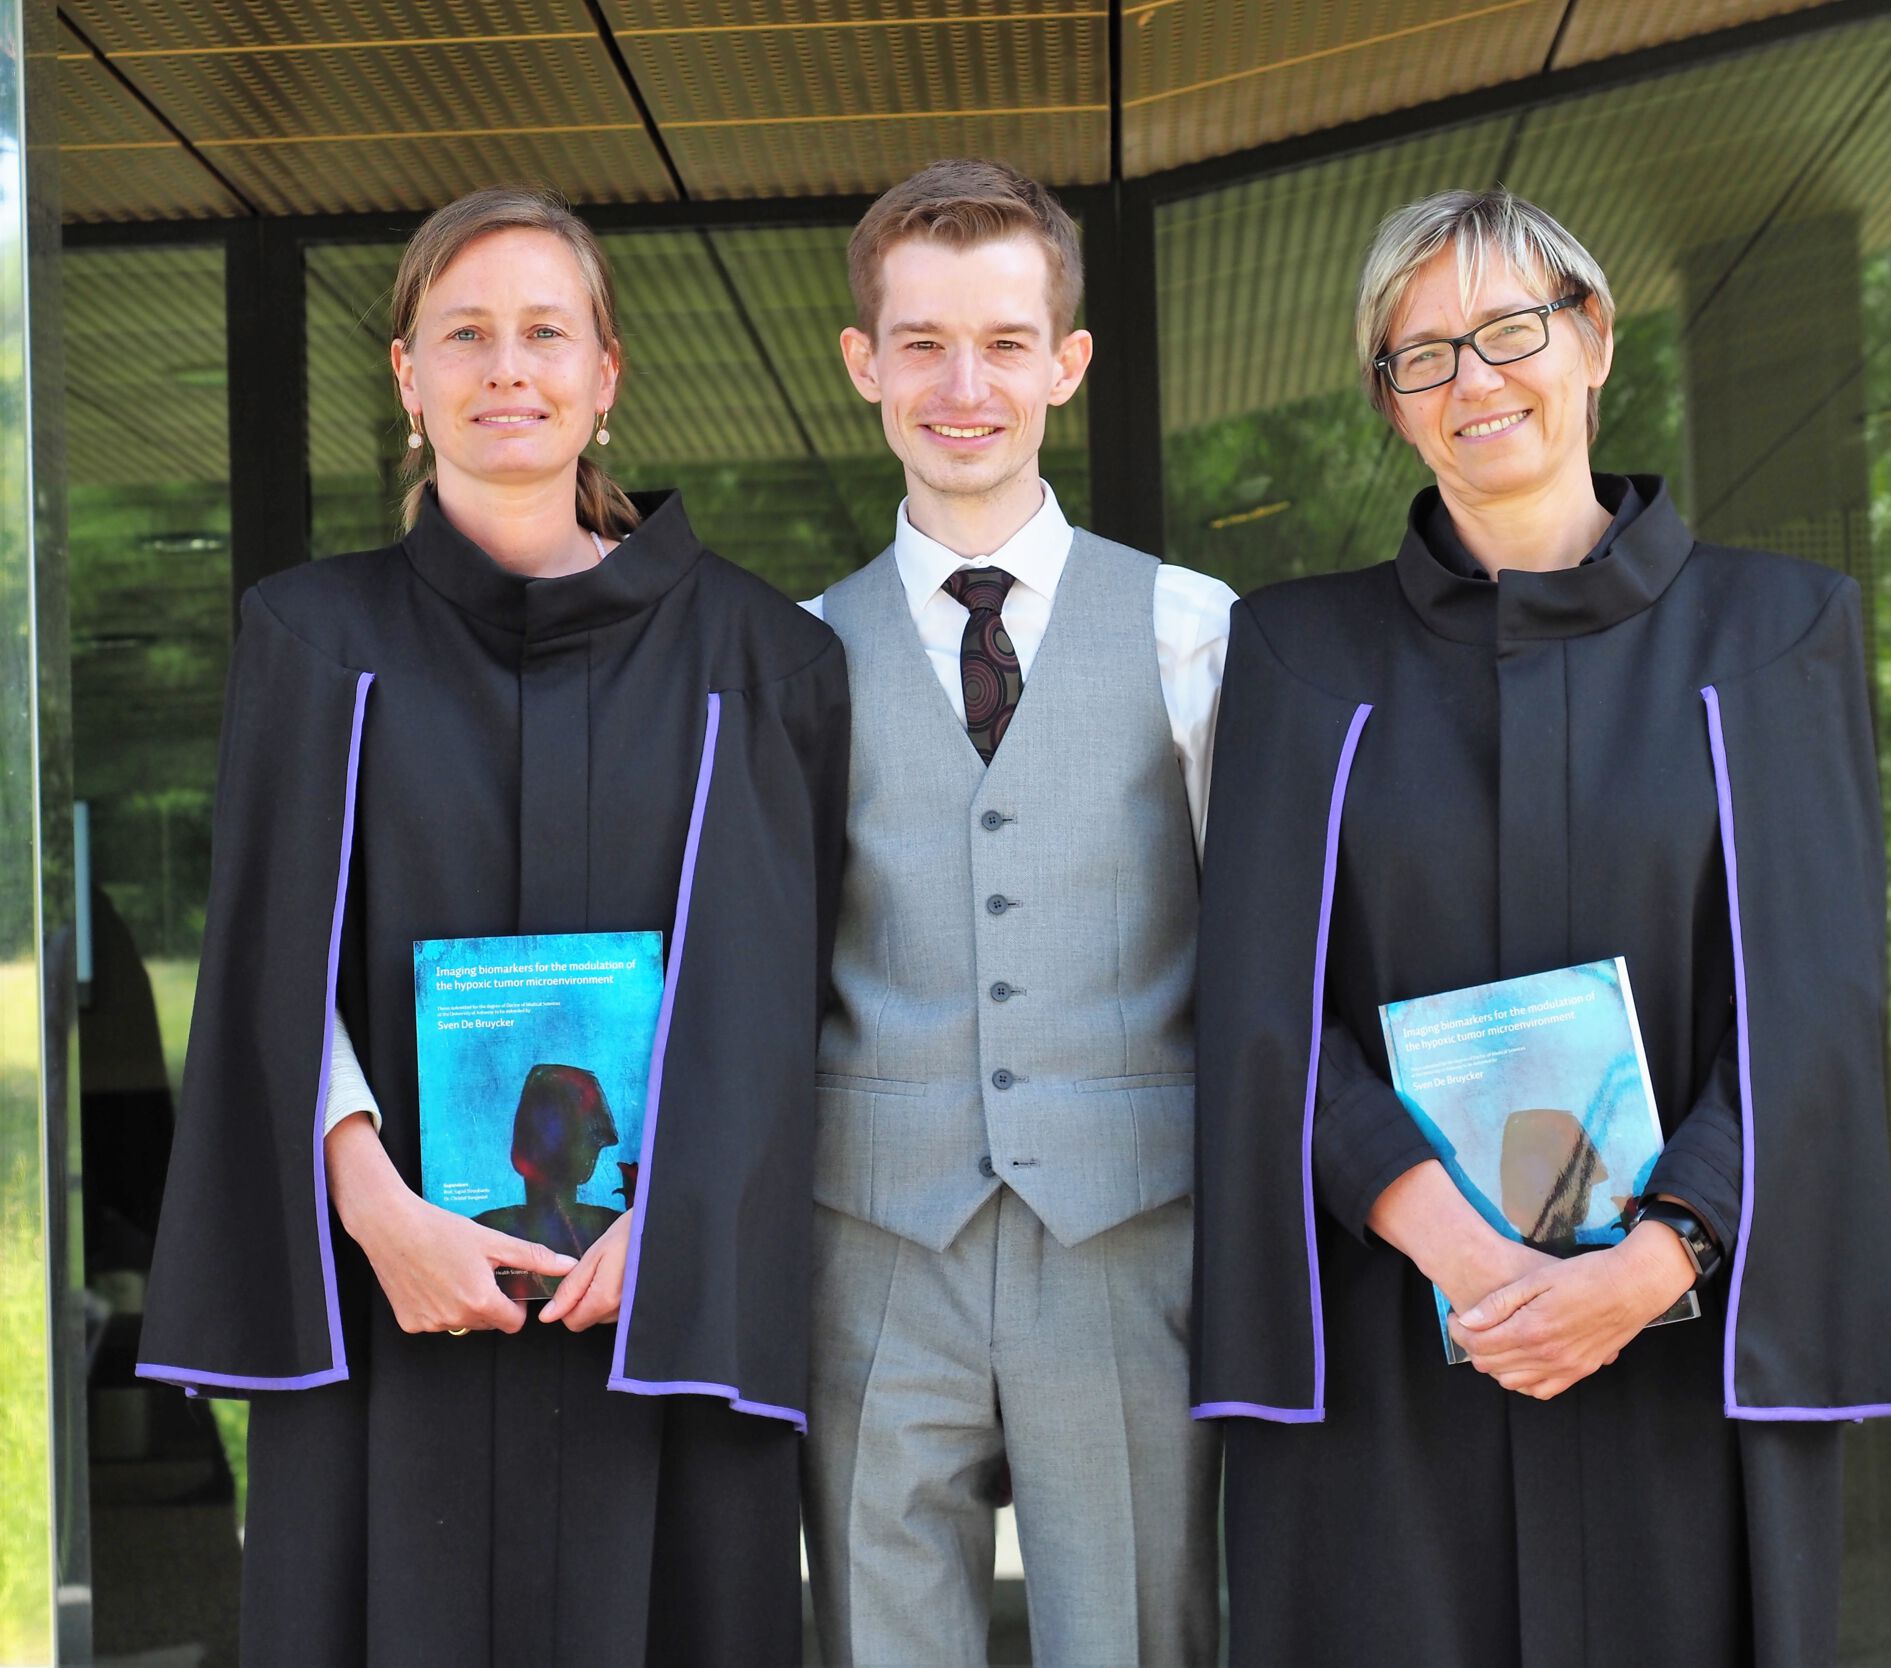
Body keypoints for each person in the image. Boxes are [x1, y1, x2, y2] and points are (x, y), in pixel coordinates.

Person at [1192, 187, 1891, 1667]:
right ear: (1389, 402)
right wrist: (1465, 1253)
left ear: (1591, 338)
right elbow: (1259, 1005)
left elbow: (1818, 999)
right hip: (1395, 1338)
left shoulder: (1778, 635)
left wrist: (1659, 1258)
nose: (1475, 381)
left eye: (1510, 329)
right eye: (1423, 354)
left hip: (1685, 1344)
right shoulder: (1296, 653)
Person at [135, 186, 848, 1667]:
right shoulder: (311, 644)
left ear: (607, 375)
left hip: (660, 1312)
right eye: (464, 333)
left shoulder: (765, 661)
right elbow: (272, 975)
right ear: (407, 378)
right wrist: (376, 1211)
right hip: (401, 1309)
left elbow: (783, 1000)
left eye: (544, 332)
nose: (506, 367)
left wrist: (684, 1224)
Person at [798, 159, 1232, 1667]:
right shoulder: (791, 659)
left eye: (1001, 340)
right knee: (877, 1638)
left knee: (1132, 1636)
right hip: (868, 1241)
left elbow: (1268, 954)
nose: (961, 383)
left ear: (1068, 360)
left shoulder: (1195, 630)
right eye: (919, 342)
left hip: (1124, 1235)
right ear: (864, 365)